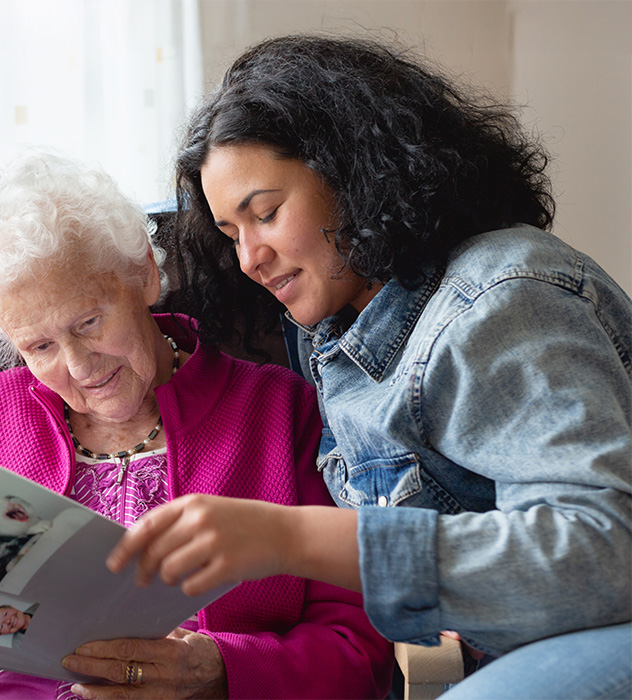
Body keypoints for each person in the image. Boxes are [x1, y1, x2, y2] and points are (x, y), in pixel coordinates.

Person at [106, 34, 632, 700]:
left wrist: (290, 537)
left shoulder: (499, 300)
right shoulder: (332, 330)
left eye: (265, 214)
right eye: (230, 233)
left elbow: (603, 560)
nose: (249, 258)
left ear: (355, 175)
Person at [0, 151, 393, 700]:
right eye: (40, 346)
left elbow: (358, 648)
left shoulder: (275, 410)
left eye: (88, 322)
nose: (79, 367)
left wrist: (218, 669)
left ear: (143, 275)